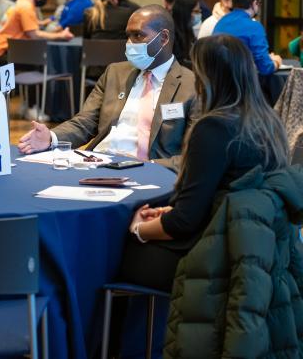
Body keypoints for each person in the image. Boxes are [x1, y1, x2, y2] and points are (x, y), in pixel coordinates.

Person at [107, 34, 290, 356]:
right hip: (259, 253)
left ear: (206, 76)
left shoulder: (214, 128)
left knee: (105, 254)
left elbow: (184, 224)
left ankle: (113, 348)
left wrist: (139, 228)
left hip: (211, 258)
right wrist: (168, 213)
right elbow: (224, 198)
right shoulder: (268, 122)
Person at [18, 5, 198, 172]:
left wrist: (148, 167)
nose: (129, 43)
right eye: (128, 35)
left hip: (147, 171)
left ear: (164, 38)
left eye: (138, 35)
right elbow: (85, 122)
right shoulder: (115, 72)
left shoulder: (192, 86)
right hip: (98, 164)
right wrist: (50, 137)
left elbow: (196, 156)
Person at [0, 0, 74, 59]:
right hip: (2, 53)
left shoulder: (22, 2)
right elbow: (34, 35)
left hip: (5, 50)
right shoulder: (26, 7)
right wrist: (60, 35)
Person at [213, 0, 282, 76]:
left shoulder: (220, 23)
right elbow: (265, 68)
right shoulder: (254, 27)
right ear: (254, 3)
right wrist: (277, 62)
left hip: (218, 83)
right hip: (244, 84)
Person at [171, 0, 200, 68]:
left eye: (199, 11)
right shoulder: (172, 33)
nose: (199, 15)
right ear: (185, 12)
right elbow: (178, 62)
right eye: (196, 12)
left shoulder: (186, 29)